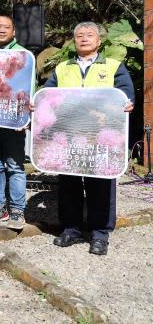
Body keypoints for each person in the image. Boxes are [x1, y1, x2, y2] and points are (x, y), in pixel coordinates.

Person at [44, 21, 134, 256]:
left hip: (101, 139)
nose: (84, 38)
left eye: (89, 35)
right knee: (69, 185)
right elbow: (48, 95)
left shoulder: (114, 66)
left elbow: (124, 94)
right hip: (69, 137)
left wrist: (128, 102)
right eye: (79, 35)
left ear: (99, 40)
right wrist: (37, 103)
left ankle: (99, 234)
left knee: (100, 184)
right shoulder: (63, 67)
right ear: (74, 41)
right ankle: (71, 229)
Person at [0, 15, 30, 230]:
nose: (2, 30)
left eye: (7, 27)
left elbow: (30, 88)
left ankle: (17, 210)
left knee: (15, 167)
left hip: (14, 121)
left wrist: (27, 116)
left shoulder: (24, 56)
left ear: (14, 31)